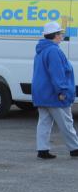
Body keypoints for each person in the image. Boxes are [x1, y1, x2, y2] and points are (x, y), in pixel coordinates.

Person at [32, 21, 78, 160]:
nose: (62, 35)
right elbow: (57, 73)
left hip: (42, 93)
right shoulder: (53, 50)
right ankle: (75, 149)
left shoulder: (41, 50)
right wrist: (62, 91)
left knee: (44, 122)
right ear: (55, 35)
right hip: (54, 94)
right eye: (60, 33)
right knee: (66, 122)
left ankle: (42, 150)